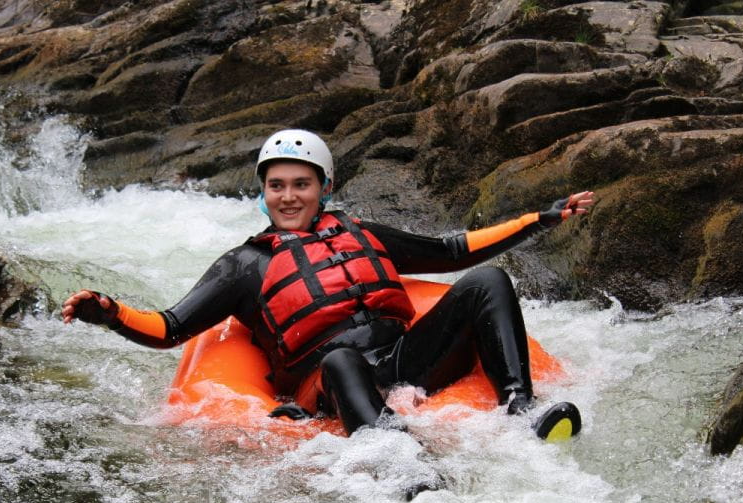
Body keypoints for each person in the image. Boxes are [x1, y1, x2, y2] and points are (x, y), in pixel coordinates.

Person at [62, 129, 593, 436]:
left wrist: (539, 219)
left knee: (488, 281)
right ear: (263, 193)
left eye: (301, 184)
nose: (288, 196)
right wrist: (109, 313)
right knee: (342, 359)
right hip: (328, 385)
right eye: (276, 186)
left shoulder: (361, 233)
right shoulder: (244, 264)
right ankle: (395, 456)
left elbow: (453, 252)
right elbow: (171, 327)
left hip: (404, 361)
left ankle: (520, 410)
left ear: (325, 187)